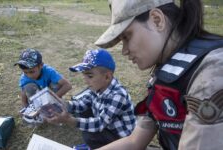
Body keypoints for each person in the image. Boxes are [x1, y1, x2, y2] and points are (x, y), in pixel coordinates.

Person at [93, 0, 223, 150]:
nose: (124, 50)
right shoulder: (165, 73)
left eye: (127, 37)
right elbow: (135, 141)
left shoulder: (212, 70)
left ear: (157, 20)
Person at [44, 49, 136, 149]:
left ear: (107, 77)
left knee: (90, 135)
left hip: (123, 139)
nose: (86, 81)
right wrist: (62, 104)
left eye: (90, 76)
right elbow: (82, 104)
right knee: (84, 111)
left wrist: (69, 120)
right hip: (110, 126)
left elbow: (99, 124)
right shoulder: (97, 87)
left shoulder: (118, 95)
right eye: (84, 75)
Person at [15, 48, 72, 123]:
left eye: (32, 72)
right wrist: (26, 109)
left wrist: (51, 98)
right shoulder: (24, 78)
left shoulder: (49, 71)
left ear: (41, 65)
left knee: (56, 84)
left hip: (52, 96)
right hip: (37, 101)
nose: (29, 75)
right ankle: (40, 111)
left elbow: (68, 85)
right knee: (28, 87)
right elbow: (23, 95)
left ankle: (55, 106)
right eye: (25, 72)